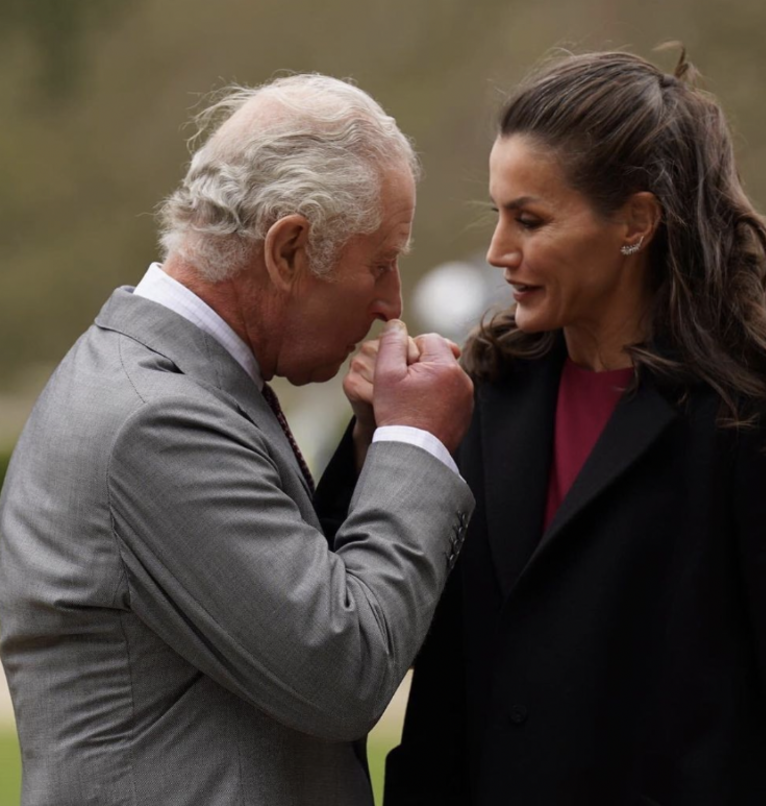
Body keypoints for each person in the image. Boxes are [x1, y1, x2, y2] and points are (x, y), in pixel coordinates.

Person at [0, 75, 475, 806]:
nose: (391, 304)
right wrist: (416, 444)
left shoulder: (173, 385)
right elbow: (343, 670)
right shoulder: (154, 423)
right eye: (380, 263)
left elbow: (292, 600)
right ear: (289, 249)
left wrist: (374, 446)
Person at [379, 49, 766, 805]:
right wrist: (373, 436)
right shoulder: (479, 394)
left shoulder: (753, 416)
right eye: (497, 215)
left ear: (636, 222)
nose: (498, 252)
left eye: (530, 220)